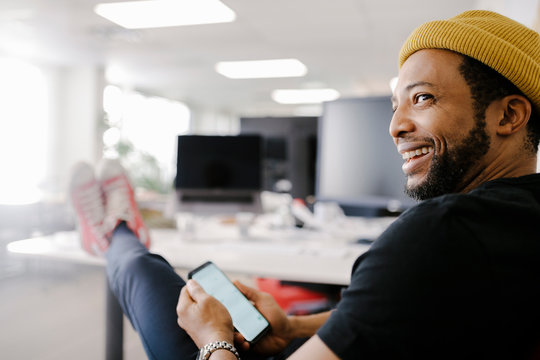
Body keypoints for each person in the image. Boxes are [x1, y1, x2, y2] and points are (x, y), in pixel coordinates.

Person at [69, 9, 540, 360]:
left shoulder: (440, 233)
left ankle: (116, 230)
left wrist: (212, 339)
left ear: (509, 115)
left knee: (144, 270)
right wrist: (294, 326)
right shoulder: (513, 223)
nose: (395, 125)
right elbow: (419, 307)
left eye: (422, 98)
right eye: (396, 104)